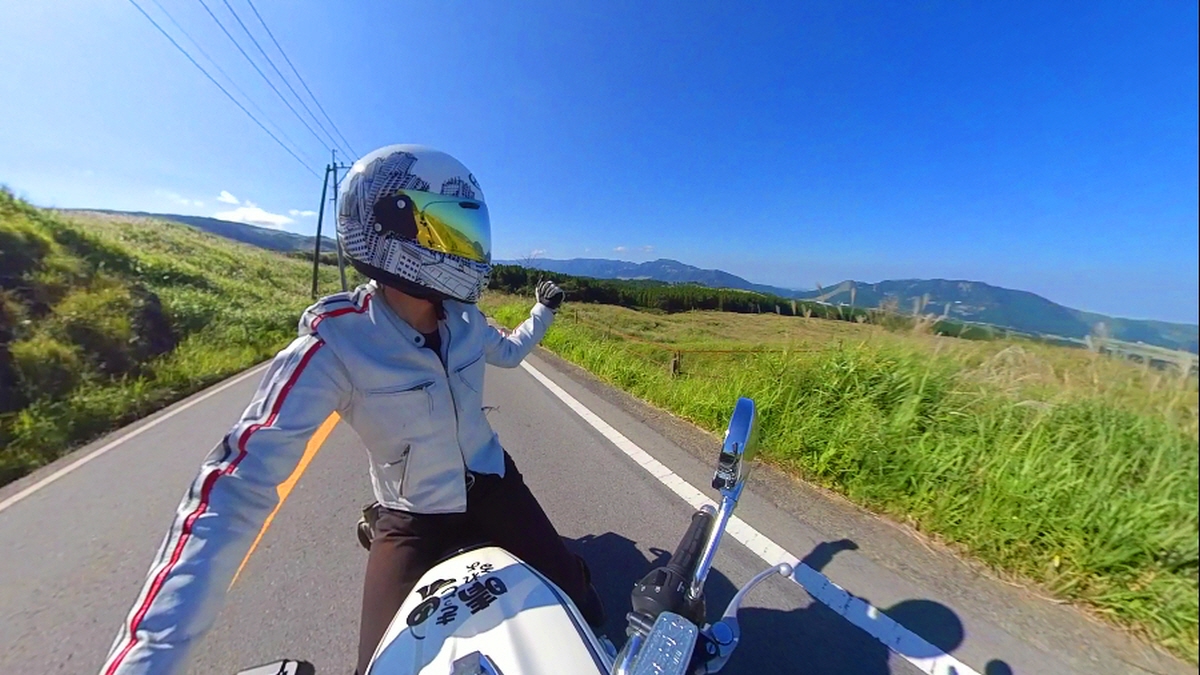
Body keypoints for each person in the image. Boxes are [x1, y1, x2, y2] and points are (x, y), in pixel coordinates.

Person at [99, 145, 604, 675]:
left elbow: (511, 352)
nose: (466, 249)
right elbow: (236, 482)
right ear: (388, 229)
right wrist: (147, 657)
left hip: (494, 483)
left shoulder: (466, 319)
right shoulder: (336, 342)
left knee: (583, 604)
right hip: (412, 514)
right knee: (377, 666)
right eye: (445, 231)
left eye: (467, 232)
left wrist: (543, 311)